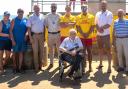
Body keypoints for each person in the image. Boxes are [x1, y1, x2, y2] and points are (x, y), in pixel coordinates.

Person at [95, 0, 113, 73]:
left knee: (108, 51)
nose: (103, 6)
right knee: (100, 50)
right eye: (102, 5)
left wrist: (101, 28)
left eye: (104, 5)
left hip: (106, 35)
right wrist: (98, 29)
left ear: (106, 5)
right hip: (99, 35)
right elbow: (95, 23)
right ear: (100, 5)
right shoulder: (97, 13)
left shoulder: (109, 13)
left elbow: (109, 24)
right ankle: (100, 64)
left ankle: (109, 67)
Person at [76, 4, 95, 73]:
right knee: (82, 52)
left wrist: (87, 33)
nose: (84, 9)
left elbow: (93, 26)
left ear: (87, 8)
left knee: (89, 51)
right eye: (83, 8)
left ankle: (90, 66)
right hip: (81, 37)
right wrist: (83, 34)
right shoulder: (78, 17)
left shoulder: (91, 16)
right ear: (81, 9)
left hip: (89, 37)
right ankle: (83, 67)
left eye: (85, 8)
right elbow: (78, 27)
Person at [27, 5, 45, 73]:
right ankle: (36, 68)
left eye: (38, 8)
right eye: (35, 8)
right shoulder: (31, 17)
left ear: (39, 9)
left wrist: (44, 37)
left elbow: (44, 26)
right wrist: (30, 38)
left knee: (41, 51)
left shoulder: (42, 16)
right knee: (35, 52)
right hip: (34, 35)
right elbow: (28, 28)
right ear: (33, 9)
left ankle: (40, 66)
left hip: (41, 35)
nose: (37, 9)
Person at [10, 9, 27, 73]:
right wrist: (13, 40)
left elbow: (28, 29)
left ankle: (19, 68)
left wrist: (26, 34)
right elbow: (10, 31)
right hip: (15, 40)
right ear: (17, 13)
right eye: (19, 12)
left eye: (22, 12)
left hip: (23, 40)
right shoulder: (13, 20)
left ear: (23, 13)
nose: (21, 13)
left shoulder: (25, 19)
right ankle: (14, 67)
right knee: (14, 54)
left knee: (21, 53)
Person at [45, 3, 61, 70]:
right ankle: (51, 63)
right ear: (50, 7)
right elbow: (46, 25)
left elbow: (61, 24)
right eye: (52, 7)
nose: (53, 8)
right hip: (50, 34)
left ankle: (60, 62)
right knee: (51, 50)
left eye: (54, 7)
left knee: (59, 49)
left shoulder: (59, 15)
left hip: (57, 34)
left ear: (56, 7)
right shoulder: (47, 16)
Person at [113, 9, 128, 74]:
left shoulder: (127, 21)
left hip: (126, 39)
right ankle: (121, 66)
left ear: (123, 14)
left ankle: (127, 68)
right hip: (118, 39)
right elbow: (114, 32)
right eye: (118, 13)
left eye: (121, 13)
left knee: (127, 54)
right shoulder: (115, 22)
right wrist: (113, 42)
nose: (119, 14)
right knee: (119, 54)